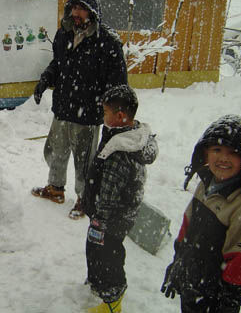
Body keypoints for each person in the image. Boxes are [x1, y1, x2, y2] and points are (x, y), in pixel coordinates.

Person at [31, 0, 128, 220]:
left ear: (92, 11)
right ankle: (55, 188)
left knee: (84, 161)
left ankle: (85, 199)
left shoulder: (107, 41)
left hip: (88, 113)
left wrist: (113, 112)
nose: (76, 13)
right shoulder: (64, 33)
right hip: (63, 107)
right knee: (55, 151)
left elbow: (118, 83)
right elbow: (59, 64)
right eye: (74, 7)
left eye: (82, 9)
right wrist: (45, 80)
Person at [161, 114, 241, 313]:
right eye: (217, 150)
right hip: (192, 284)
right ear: (206, 152)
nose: (224, 158)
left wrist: (226, 303)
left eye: (233, 152)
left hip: (214, 298)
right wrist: (178, 263)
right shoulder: (205, 184)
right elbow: (187, 226)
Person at [81, 85, 158, 313]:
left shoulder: (121, 149)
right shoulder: (125, 134)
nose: (103, 116)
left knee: (107, 256)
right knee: (96, 248)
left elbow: (110, 191)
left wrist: (100, 219)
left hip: (110, 217)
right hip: (115, 215)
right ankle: (99, 284)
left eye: (106, 112)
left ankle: (112, 300)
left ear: (120, 116)